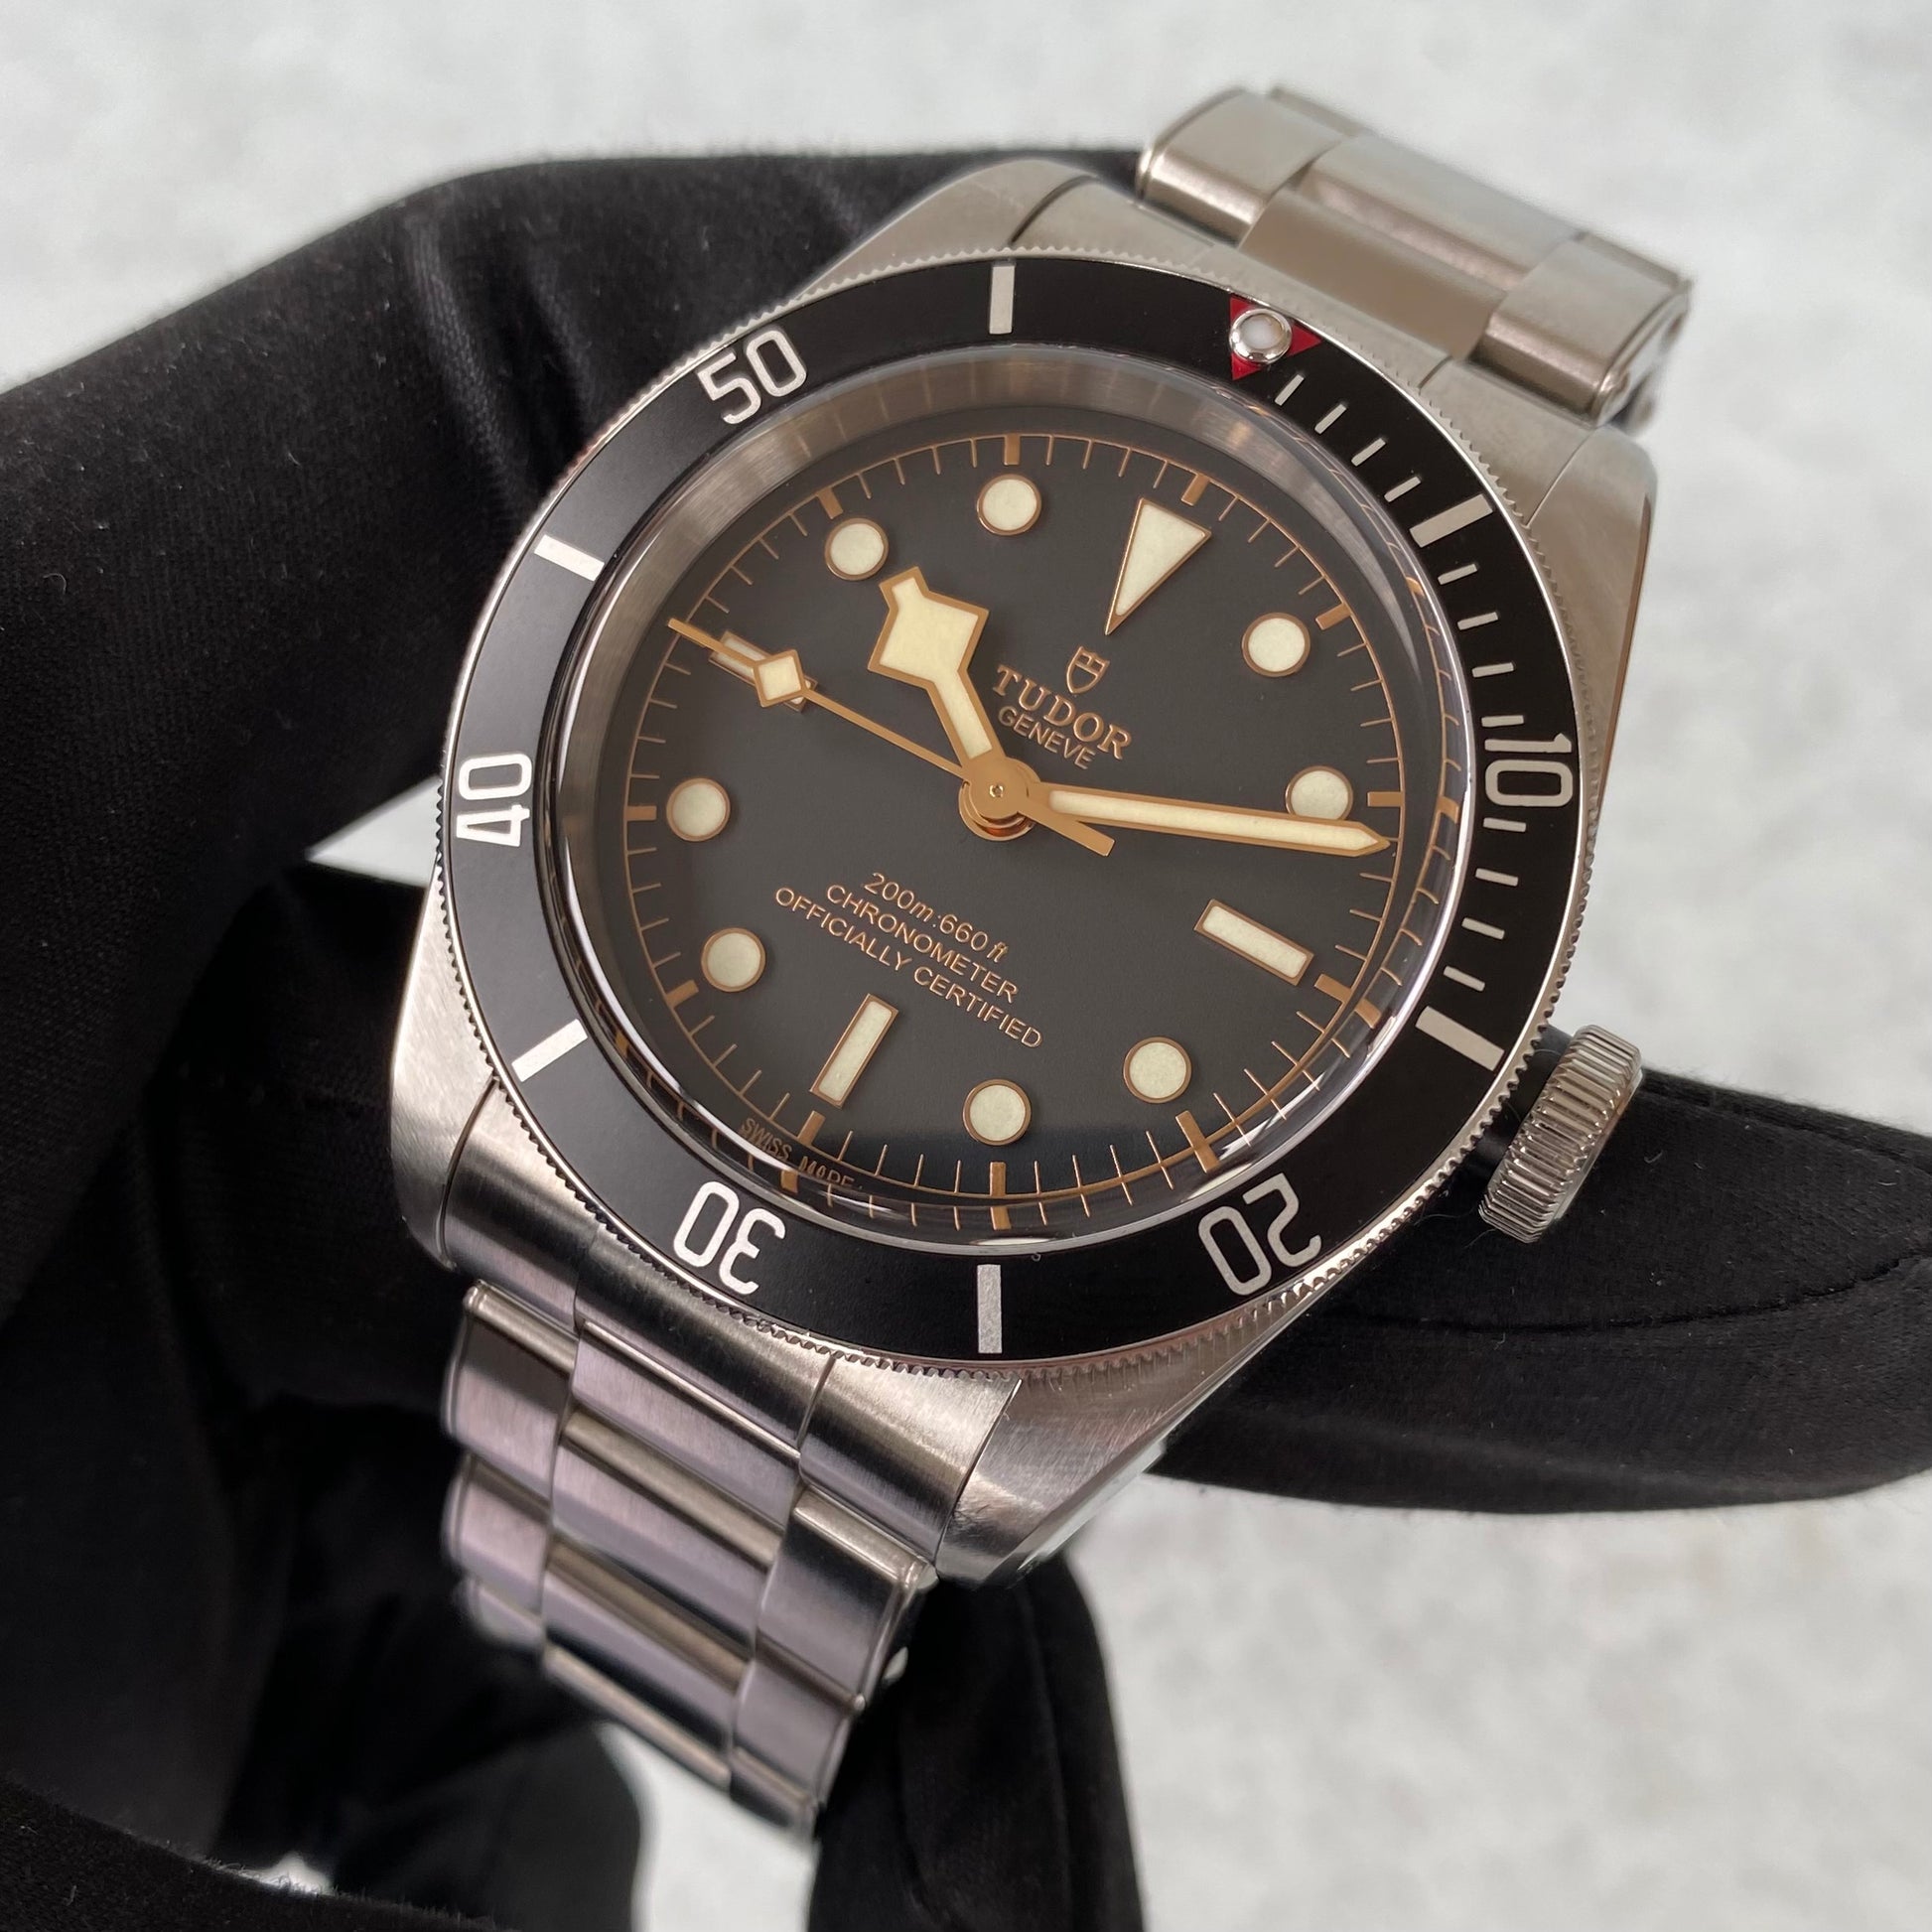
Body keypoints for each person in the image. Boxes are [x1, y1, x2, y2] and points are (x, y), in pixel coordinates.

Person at [2, 151, 1926, 1932]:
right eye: (985, 783)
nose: (993, 806)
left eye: (1008, 804)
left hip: (889, 1282)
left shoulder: (1532, 562)